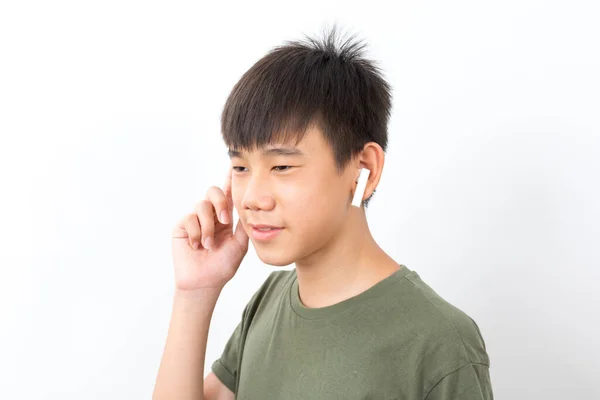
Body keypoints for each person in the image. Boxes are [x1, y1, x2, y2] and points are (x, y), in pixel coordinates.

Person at [153, 25, 493, 400]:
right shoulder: (270, 299)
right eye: (240, 167)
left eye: (282, 167)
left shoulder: (439, 342)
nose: (251, 197)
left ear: (364, 167)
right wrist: (195, 293)